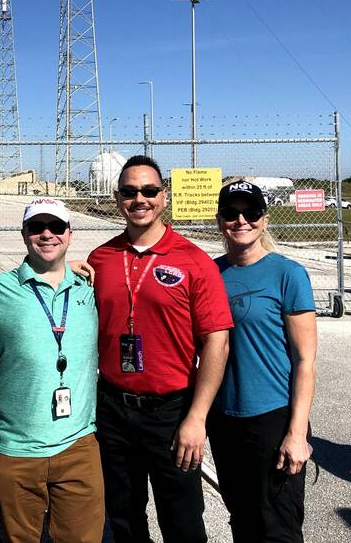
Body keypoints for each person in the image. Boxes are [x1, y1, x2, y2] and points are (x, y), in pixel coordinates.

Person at [88, 155, 233, 543]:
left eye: (149, 191)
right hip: (113, 407)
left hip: (171, 410)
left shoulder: (194, 261)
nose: (140, 199)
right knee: (122, 514)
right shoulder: (100, 259)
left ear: (163, 197)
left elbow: (217, 340)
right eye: (130, 191)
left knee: (182, 518)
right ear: (118, 198)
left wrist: (197, 418)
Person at [0, 197, 103, 543]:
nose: (47, 234)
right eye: (37, 227)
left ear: (69, 233)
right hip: (17, 449)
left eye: (56, 227)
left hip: (78, 445)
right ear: (24, 234)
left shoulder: (89, 288)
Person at [208, 180, 317, 542]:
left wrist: (297, 433)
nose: (241, 220)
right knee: (241, 518)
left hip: (272, 416)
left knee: (277, 526)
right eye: (231, 213)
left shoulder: (287, 274)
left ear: (265, 220)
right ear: (220, 220)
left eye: (251, 212)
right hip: (224, 418)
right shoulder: (211, 274)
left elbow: (305, 361)